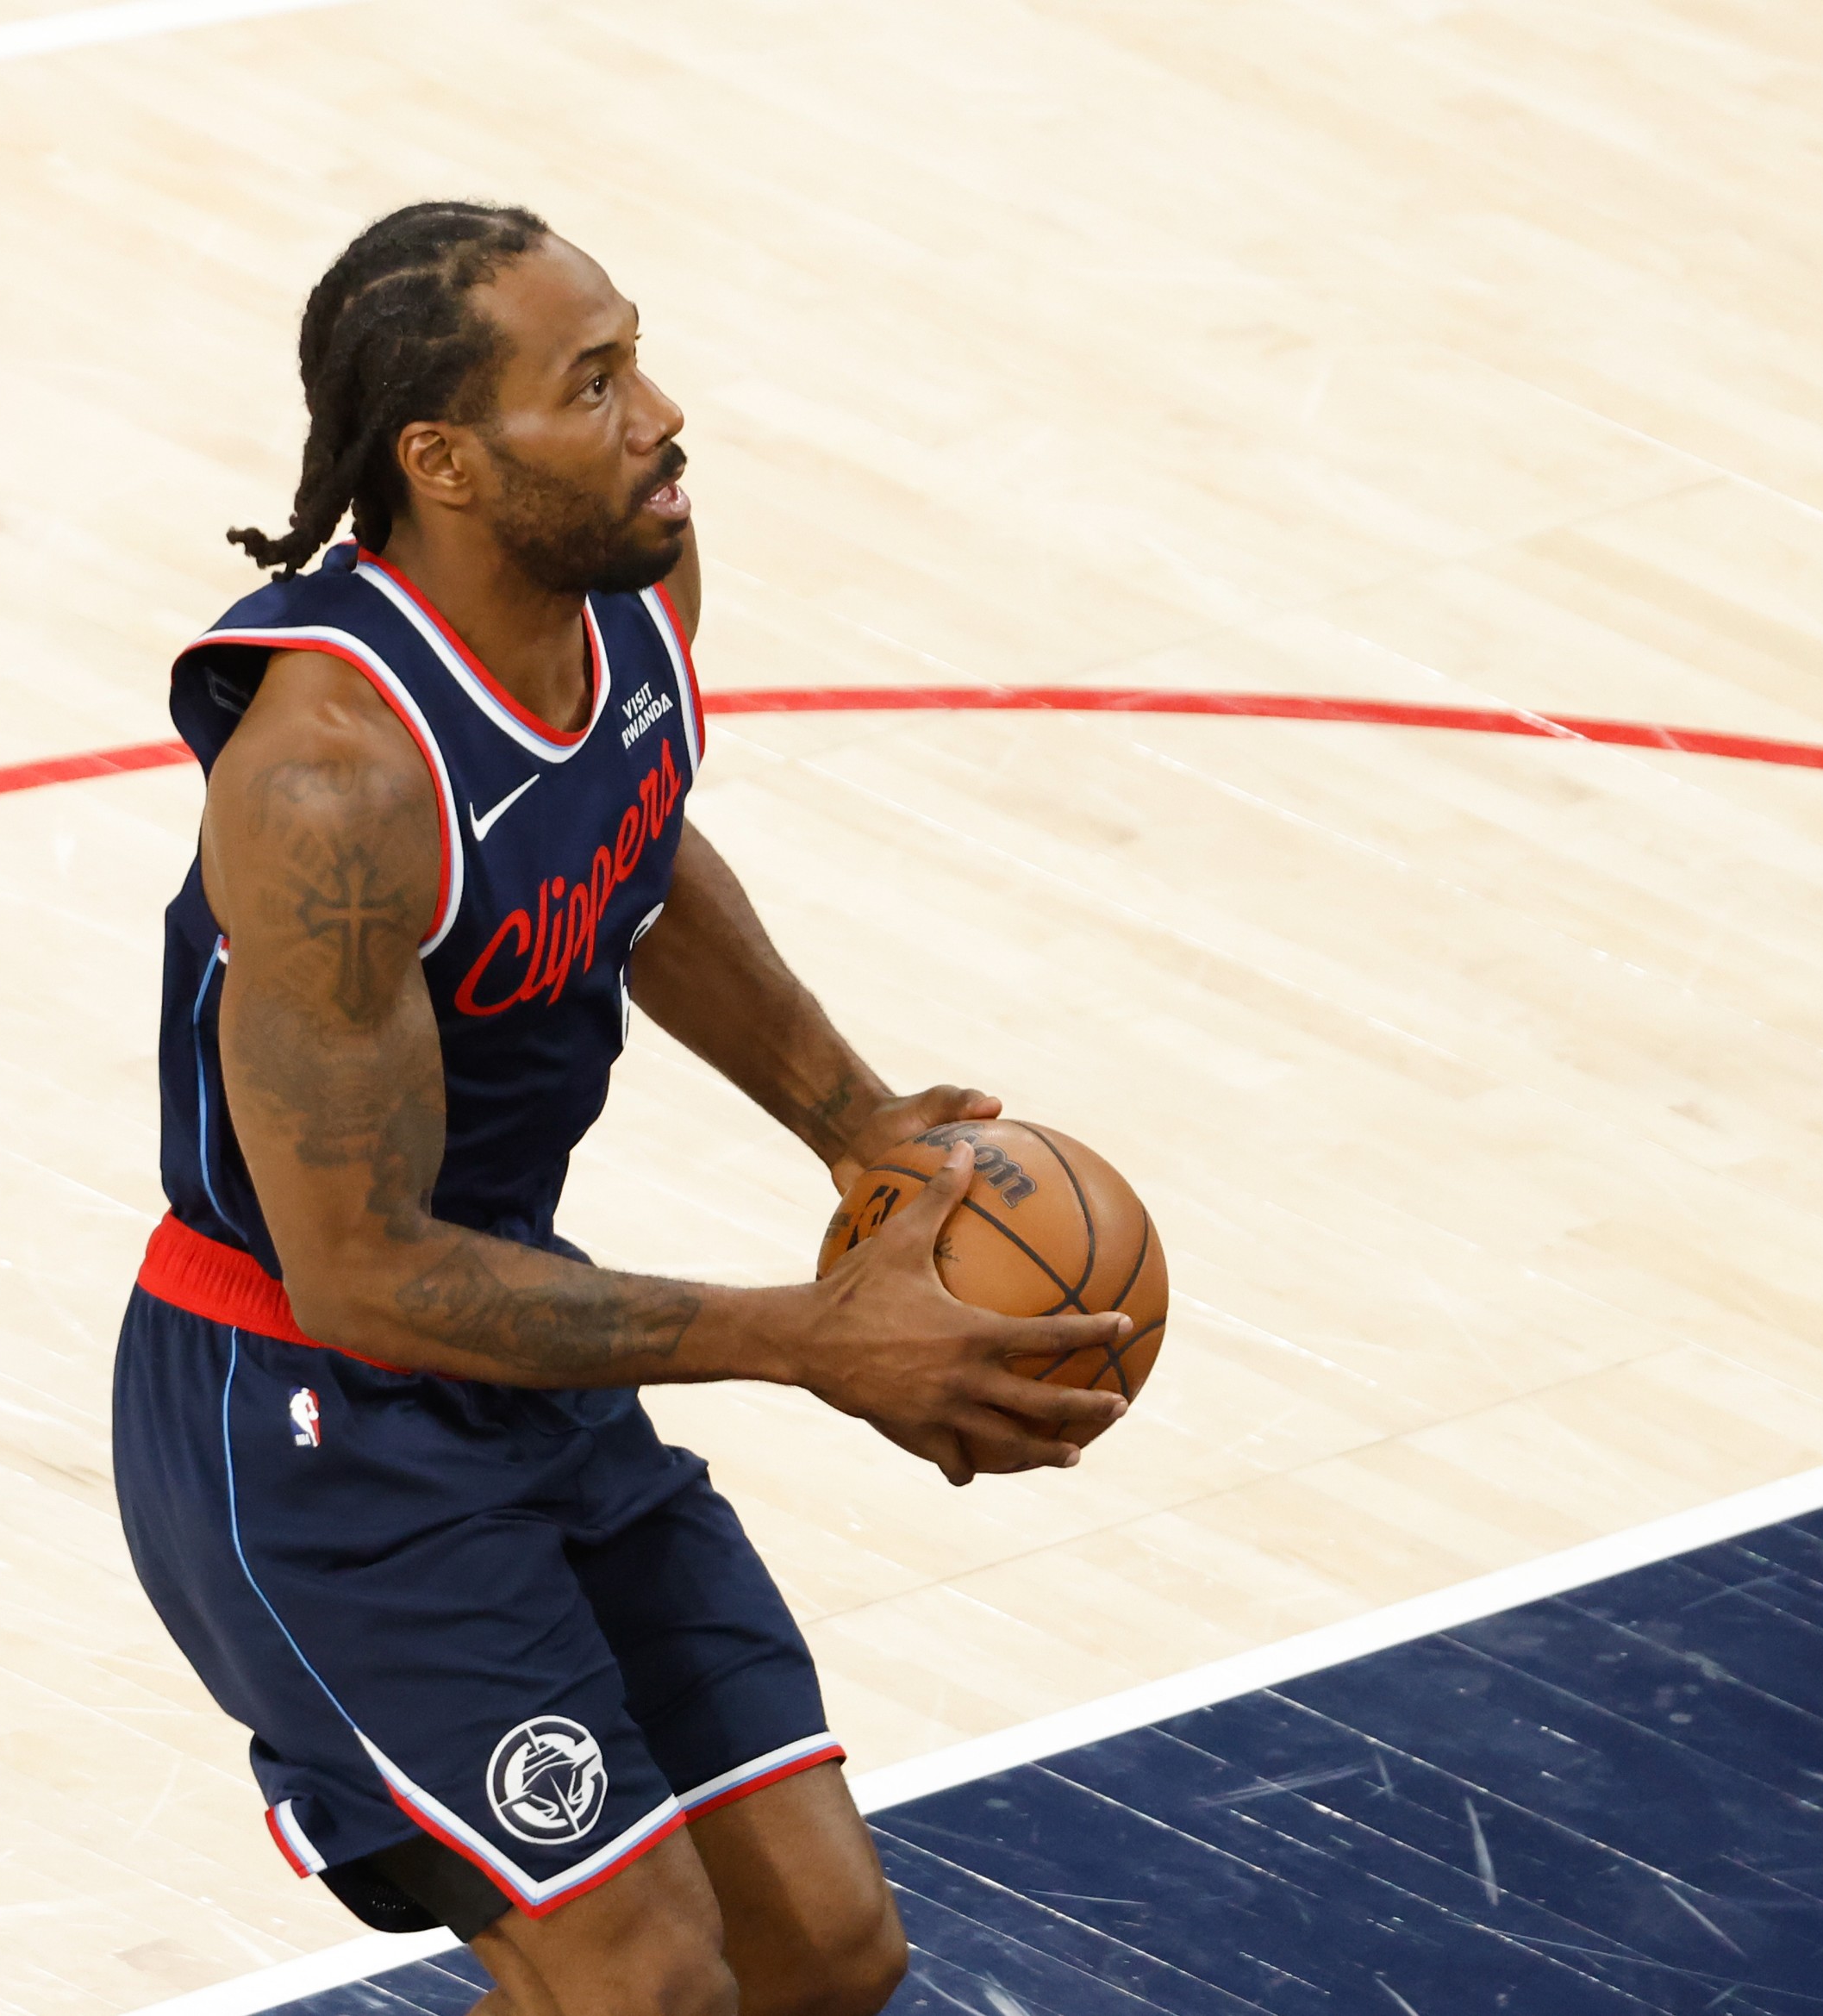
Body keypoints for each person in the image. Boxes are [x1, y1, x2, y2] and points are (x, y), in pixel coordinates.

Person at [110, 200, 1133, 2016]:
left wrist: (853, 1121)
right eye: (590, 387)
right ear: (441, 459)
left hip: (515, 1336)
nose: (658, 417)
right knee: (638, 1980)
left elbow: (635, 848)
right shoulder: (330, 784)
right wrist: (806, 1338)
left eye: (635, 356)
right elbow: (356, 1276)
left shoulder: (634, 583)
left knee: (820, 1948)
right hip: (303, 1420)